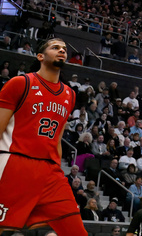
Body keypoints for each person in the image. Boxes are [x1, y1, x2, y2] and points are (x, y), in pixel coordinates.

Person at [0, 37, 87, 236]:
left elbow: (57, 139)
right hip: (15, 164)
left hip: (50, 172)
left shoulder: (69, 95)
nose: (62, 50)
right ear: (40, 56)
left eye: (64, 48)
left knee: (76, 232)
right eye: (55, 47)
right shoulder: (20, 83)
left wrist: (57, 167)